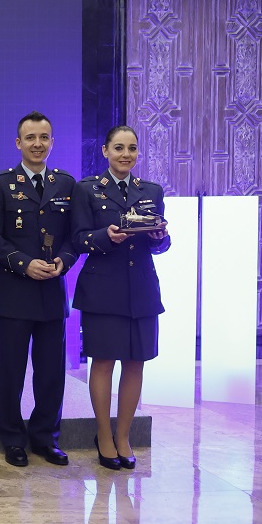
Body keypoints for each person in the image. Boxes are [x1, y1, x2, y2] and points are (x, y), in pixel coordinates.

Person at [0, 111, 77, 468]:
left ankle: (45, 438)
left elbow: (73, 238)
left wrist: (63, 262)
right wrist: (23, 262)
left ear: (52, 142)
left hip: (52, 292)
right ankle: (12, 439)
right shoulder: (0, 183)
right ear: (18, 143)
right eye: (31, 138)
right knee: (11, 371)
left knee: (51, 372)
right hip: (13, 294)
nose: (38, 144)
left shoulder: (66, 184)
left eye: (44, 137)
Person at [71, 125, 169, 470]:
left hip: (141, 288)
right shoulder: (87, 190)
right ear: (105, 151)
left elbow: (161, 242)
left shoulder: (152, 190)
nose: (125, 154)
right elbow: (78, 239)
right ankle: (103, 434)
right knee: (103, 362)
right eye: (118, 148)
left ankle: (124, 435)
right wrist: (104, 235)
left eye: (131, 148)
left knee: (135, 362)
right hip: (102, 290)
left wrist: (159, 237)